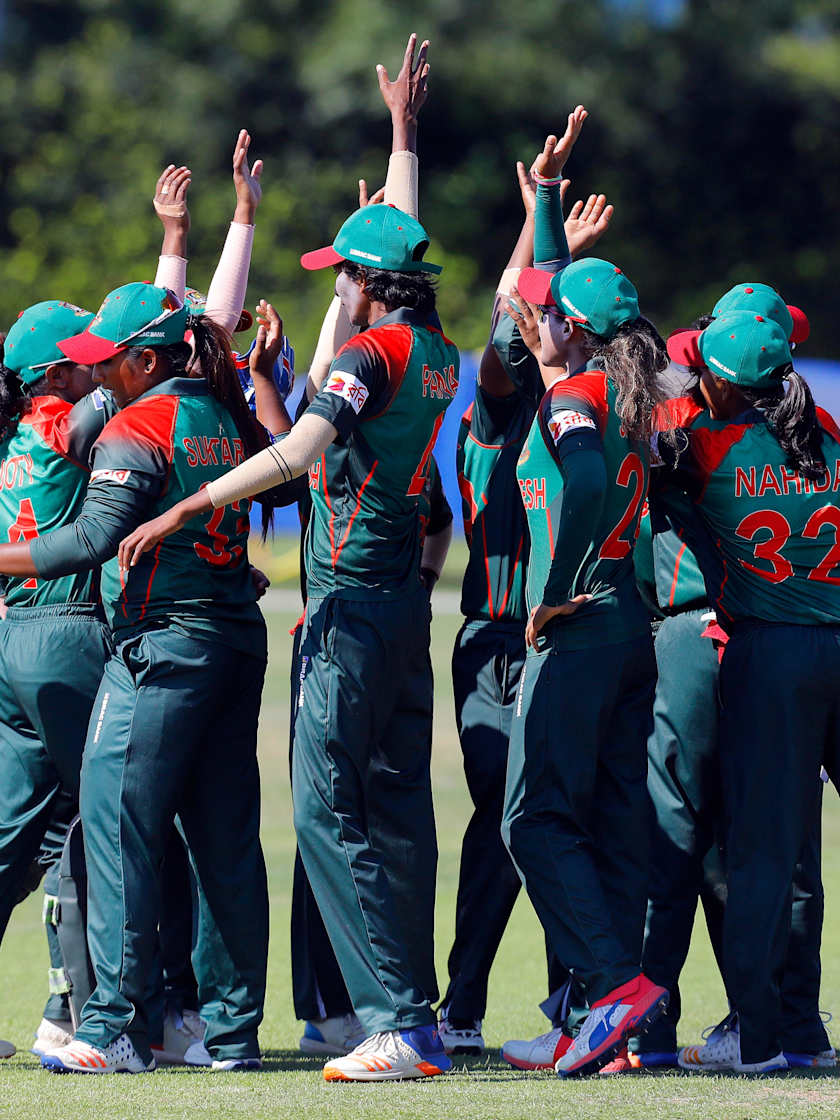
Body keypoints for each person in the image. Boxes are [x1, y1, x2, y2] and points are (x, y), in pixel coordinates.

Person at [119, 194, 459, 1082]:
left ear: (370, 283)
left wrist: (190, 504)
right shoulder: (439, 354)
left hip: (347, 607)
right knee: (393, 814)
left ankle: (394, 1020)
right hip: (400, 609)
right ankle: (406, 1012)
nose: (335, 287)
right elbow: (342, 432)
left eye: (342, 274)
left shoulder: (369, 350)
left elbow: (298, 455)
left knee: (321, 810)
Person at [0, 283, 281, 1074]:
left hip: (162, 652)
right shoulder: (227, 412)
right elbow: (285, 481)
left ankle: (116, 1026)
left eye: (109, 363)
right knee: (225, 843)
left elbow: (84, 543)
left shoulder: (140, 423)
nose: (98, 377)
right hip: (233, 645)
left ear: (148, 361)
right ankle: (231, 1037)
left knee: (120, 826)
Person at [439, 110, 615, 1059]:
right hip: (498, 643)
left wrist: (546, 228)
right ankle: (469, 1005)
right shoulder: (491, 419)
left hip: (557, 639)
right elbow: (514, 332)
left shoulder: (566, 411)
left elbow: (532, 323)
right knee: (514, 822)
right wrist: (538, 223)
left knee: (549, 817)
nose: (531, 354)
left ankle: (570, 1001)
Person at [497, 129, 669, 1077]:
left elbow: (587, 482)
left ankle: (612, 990)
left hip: (585, 623)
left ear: (569, 327)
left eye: (544, 316)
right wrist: (549, 199)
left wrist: (550, 598)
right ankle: (600, 1017)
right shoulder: (631, 386)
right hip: (629, 630)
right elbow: (558, 292)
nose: (531, 324)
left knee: (531, 818)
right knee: (605, 816)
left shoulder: (576, 397)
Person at [632, 284, 832, 1072]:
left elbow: (629, 454)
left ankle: (754, 1038)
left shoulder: (702, 441)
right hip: (834, 638)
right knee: (801, 857)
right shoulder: (825, 435)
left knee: (752, 848)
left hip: (768, 649)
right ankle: (800, 1028)